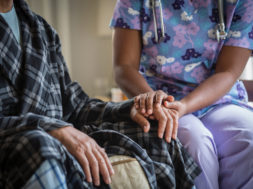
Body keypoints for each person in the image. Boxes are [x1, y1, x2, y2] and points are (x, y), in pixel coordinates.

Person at [0, 0, 201, 188]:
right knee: (39, 146)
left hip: (57, 136)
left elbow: (77, 106)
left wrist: (130, 108)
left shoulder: (41, 30)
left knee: (152, 129)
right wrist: (51, 128)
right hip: (22, 143)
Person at [110, 0, 253, 189]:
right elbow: (124, 67)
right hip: (162, 102)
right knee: (194, 141)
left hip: (220, 98)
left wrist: (185, 105)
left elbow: (228, 72)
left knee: (248, 136)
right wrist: (154, 101)